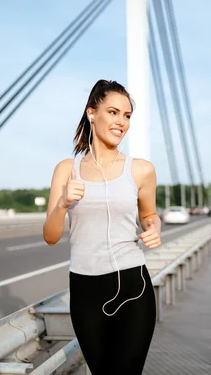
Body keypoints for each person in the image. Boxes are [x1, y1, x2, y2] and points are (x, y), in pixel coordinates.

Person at [43, 79, 161, 374]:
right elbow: (50, 236)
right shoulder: (66, 170)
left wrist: (153, 227)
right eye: (113, 112)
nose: (121, 121)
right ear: (91, 113)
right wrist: (62, 205)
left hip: (133, 286)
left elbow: (150, 215)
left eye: (127, 115)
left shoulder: (141, 169)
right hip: (85, 290)